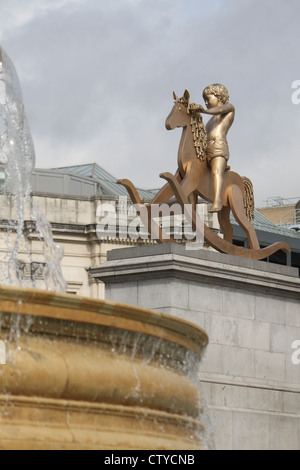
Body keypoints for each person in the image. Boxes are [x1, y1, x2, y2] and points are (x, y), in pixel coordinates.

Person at [189, 83, 235, 213]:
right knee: (191, 175)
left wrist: (203, 110)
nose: (206, 102)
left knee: (216, 172)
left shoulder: (229, 108)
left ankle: (217, 201)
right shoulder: (209, 121)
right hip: (205, 151)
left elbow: (219, 110)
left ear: (219, 97)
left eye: (208, 99)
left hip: (218, 148)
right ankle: (191, 210)